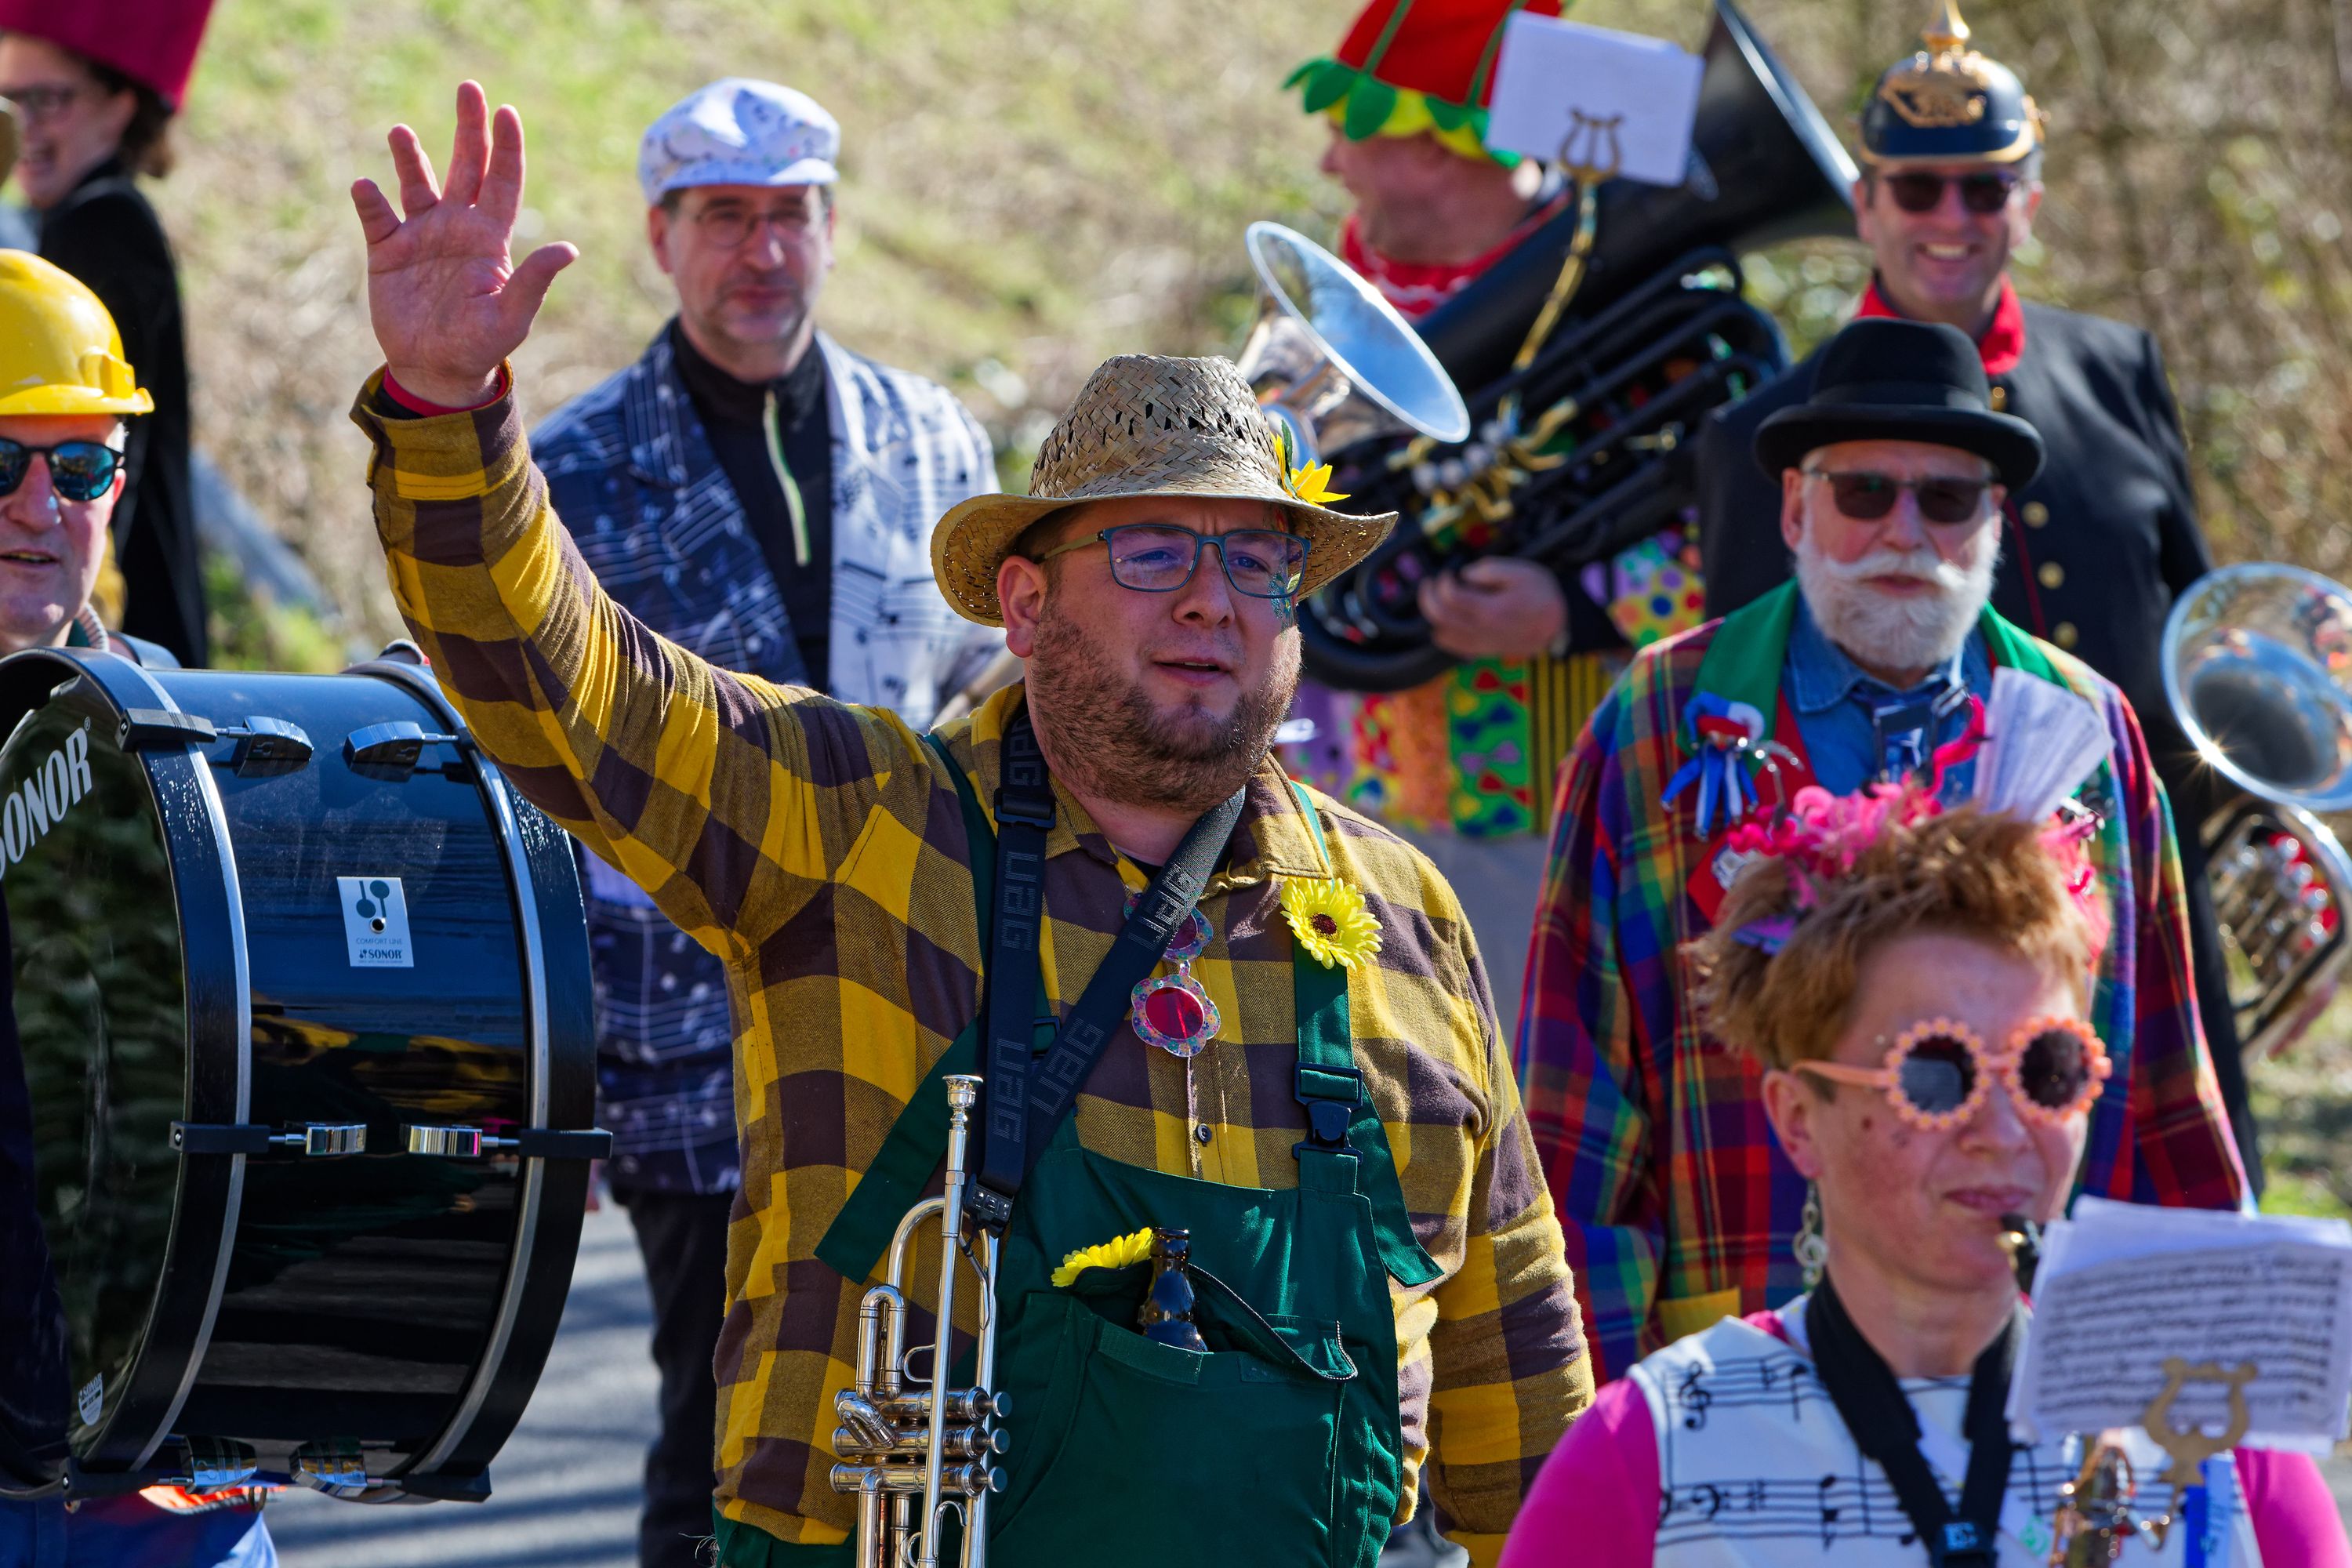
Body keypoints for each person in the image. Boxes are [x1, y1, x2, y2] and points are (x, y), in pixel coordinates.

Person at [344, 85, 1592, 1566]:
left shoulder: (1400, 911)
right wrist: (445, 419)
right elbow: (567, 686)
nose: (1211, 600)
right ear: (1022, 602)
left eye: (1258, 565)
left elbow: (1519, 1344)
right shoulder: (856, 825)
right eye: (1151, 549)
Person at [1517, 315, 2245, 1385]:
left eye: (1946, 500)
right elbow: (1573, 1110)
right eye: (1864, 493)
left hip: (2029, 1352)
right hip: (1738, 1348)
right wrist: (1606, 1414)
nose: (1906, 532)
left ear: (1993, 521)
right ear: (1796, 508)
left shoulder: (2088, 728)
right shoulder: (1660, 720)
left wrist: (2176, 1388)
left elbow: (2163, 1082)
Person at [530, 78, 1003, 1568]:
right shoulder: (572, 464)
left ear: (832, 228)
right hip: (687, 1028)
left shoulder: (933, 440)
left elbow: (994, 686)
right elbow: (538, 741)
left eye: (789, 214)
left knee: (931, 1397)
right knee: (719, 1419)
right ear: (661, 238)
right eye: (725, 217)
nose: (762, 251)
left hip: (928, 1007)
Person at [1687, 1, 2258, 1180]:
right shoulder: (1762, 436)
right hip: (1898, 939)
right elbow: (1760, 689)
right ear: (1866, 205)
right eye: (1918, 188)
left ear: (2029, 202)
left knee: (2161, 1197)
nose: (1952, 219)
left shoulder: (2119, 366)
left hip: (2133, 887)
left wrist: (2251, 819)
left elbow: (2192, 629)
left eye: (1985, 189)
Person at [1499, 797, 2348, 1566]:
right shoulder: (1640, 1452)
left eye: (2047, 1068)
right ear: (1799, 1118)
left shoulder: (2220, 1434)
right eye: (1937, 1074)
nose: (2005, 1131)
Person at [1280, 0, 1708, 1027]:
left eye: (1353, 133)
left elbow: (1744, 547)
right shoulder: (1325, 304)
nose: (1331, 167)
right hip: (1329, 804)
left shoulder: (1634, 307)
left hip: (1558, 826)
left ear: (1434, 149)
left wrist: (1573, 608)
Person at [0, 250, 272, 1565]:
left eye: (83, 467)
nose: (40, 505)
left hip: (160, 1502)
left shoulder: (199, 740)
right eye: (1, 460)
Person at [0, 1, 216, 667]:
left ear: (120, 105)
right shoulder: (94, 218)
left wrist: (92, 638)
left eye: (48, 100)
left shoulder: (101, 226)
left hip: (109, 652)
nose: (22, 126)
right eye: (9, 99)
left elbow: (95, 443)